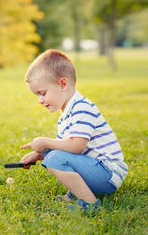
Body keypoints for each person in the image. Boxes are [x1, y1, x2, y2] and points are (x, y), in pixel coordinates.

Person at [20, 49, 128, 211]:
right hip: (97, 169)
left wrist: (44, 141)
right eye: (37, 96)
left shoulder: (82, 108)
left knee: (56, 157)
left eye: (42, 93)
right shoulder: (67, 113)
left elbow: (77, 146)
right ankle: (75, 195)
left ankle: (89, 204)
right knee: (56, 154)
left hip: (107, 174)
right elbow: (65, 147)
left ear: (62, 84)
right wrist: (38, 154)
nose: (39, 101)